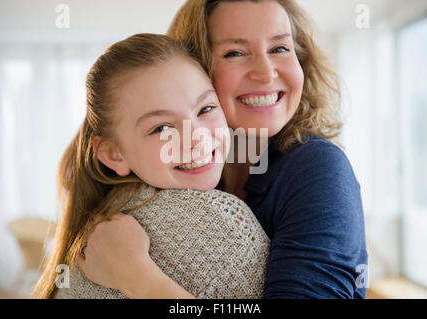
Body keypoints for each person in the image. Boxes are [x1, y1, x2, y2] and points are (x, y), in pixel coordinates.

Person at [76, 0, 369, 299]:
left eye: (280, 48)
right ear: (197, 67)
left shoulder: (316, 167)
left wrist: (138, 278)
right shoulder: (169, 190)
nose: (266, 73)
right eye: (235, 53)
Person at [32, 33, 270, 299]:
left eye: (205, 109)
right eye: (162, 128)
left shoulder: (112, 211)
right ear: (114, 154)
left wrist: (140, 279)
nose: (196, 137)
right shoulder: (220, 222)